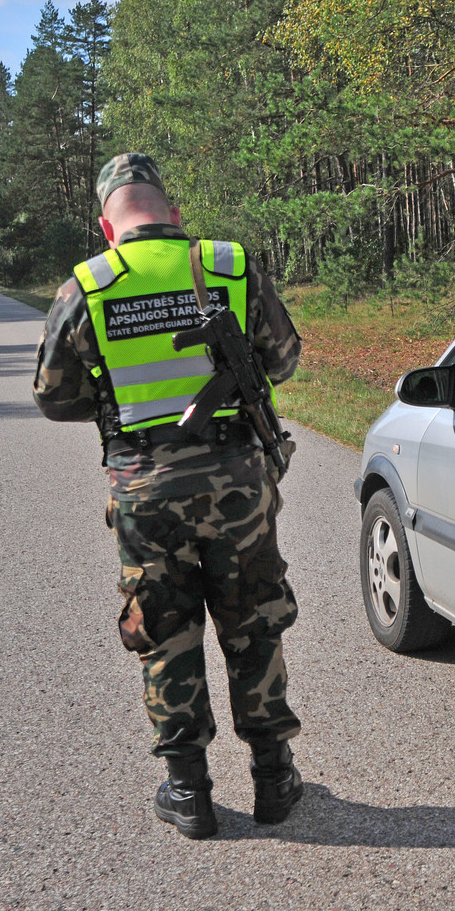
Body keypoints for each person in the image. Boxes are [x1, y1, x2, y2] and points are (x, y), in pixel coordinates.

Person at [33, 153, 304, 840]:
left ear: (107, 226)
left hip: (144, 488)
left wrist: (120, 398)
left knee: (165, 629)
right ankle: (274, 777)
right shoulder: (230, 265)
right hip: (239, 482)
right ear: (174, 214)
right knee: (253, 622)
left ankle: (188, 792)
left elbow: (54, 396)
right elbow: (283, 358)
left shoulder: (87, 285)